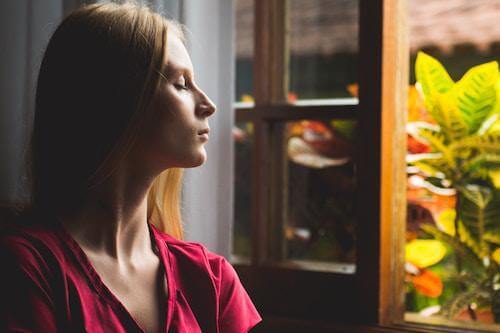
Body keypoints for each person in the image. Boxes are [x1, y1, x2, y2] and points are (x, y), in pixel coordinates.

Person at [0, 2, 262, 332]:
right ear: (117, 98)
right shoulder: (26, 267)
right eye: (182, 83)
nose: (208, 105)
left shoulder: (211, 280)